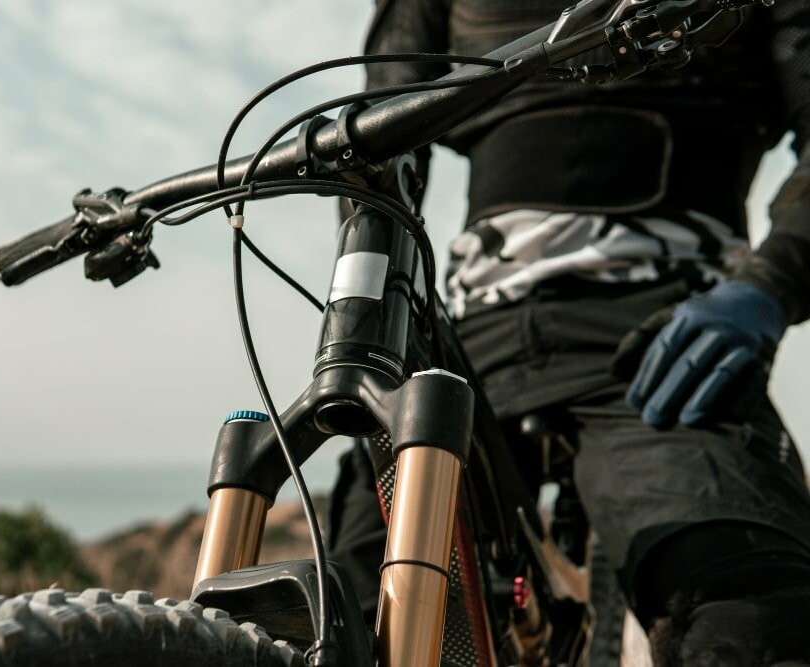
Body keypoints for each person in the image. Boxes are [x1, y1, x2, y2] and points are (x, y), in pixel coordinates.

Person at [326, 1, 810, 664]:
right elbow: (377, 131)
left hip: (668, 337)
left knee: (746, 621)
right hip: (469, 337)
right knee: (345, 612)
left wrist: (769, 285)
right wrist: (377, 313)